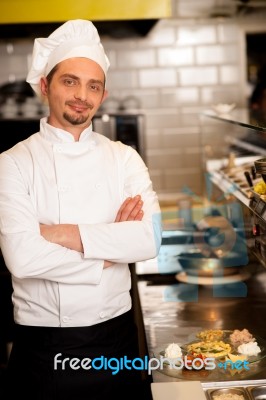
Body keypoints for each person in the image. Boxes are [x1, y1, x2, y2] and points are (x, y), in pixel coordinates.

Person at [0, 19, 162, 400]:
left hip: (117, 340)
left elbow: (149, 238)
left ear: (103, 95)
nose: (82, 96)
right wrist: (108, 254)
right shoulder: (13, 162)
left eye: (93, 86)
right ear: (45, 86)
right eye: (69, 81)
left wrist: (56, 233)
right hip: (44, 348)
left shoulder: (124, 157)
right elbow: (22, 258)